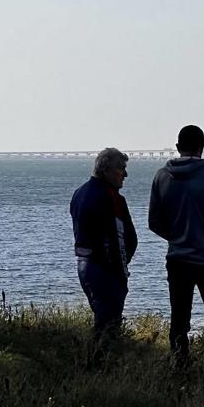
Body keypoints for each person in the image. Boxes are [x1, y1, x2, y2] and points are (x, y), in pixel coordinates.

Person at [148, 125, 204, 369]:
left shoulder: (161, 176)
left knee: (179, 319)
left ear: (177, 148)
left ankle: (180, 367)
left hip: (177, 259)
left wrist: (177, 236)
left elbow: (154, 222)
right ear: (202, 147)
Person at [70, 147, 137, 363]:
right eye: (121, 169)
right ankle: (97, 365)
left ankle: (96, 363)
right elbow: (122, 237)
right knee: (109, 323)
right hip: (106, 268)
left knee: (102, 318)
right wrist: (121, 270)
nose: (124, 175)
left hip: (84, 264)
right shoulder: (112, 198)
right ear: (107, 170)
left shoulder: (79, 193)